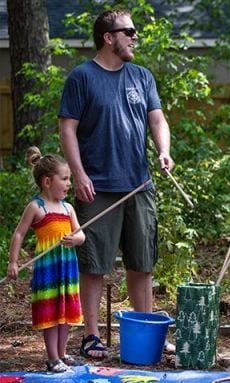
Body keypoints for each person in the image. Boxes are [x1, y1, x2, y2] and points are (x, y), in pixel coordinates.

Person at [58, 9, 175, 359]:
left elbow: (157, 119)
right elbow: (68, 129)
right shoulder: (82, 77)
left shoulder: (142, 76)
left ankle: (145, 332)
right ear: (109, 37)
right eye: (129, 31)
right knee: (94, 265)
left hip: (139, 184)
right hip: (97, 187)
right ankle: (91, 336)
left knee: (142, 262)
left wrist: (164, 151)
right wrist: (78, 174)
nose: (134, 37)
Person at [7, 147, 86, 373]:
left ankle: (62, 354)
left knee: (65, 313)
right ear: (47, 181)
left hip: (67, 267)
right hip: (48, 270)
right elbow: (19, 233)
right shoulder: (36, 207)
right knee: (51, 313)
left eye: (69, 179)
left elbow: (81, 234)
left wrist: (75, 238)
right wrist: (13, 262)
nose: (69, 183)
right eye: (65, 179)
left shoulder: (68, 208)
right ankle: (52, 358)